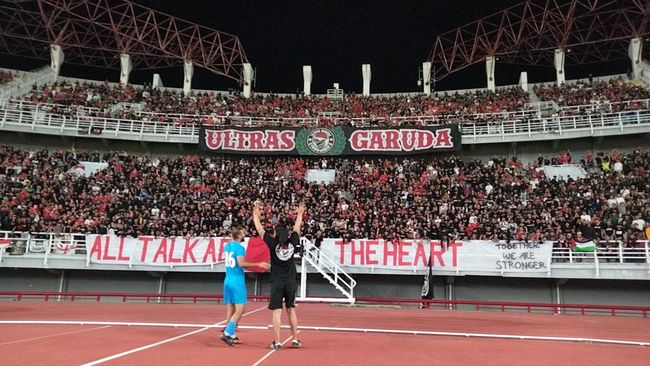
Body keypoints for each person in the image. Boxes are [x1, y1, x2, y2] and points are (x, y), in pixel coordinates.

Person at [253, 201, 305, 350]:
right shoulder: (293, 241)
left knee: (277, 312)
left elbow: (260, 230)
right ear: (287, 234)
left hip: (277, 281)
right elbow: (297, 227)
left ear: (276, 234)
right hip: (290, 281)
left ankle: (277, 342)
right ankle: (295, 339)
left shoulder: (271, 242)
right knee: (291, 309)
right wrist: (300, 213)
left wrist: (255, 215)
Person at [220, 227, 270, 346]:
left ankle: (230, 334)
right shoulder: (240, 248)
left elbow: (239, 264)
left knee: (230, 308)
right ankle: (228, 332)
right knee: (240, 309)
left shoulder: (227, 246)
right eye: (243, 233)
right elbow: (242, 264)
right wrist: (259, 264)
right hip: (237, 281)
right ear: (239, 236)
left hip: (228, 279)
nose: (244, 235)